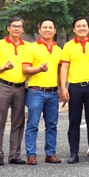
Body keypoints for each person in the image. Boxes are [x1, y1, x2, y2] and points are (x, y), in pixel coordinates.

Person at [60, 17, 89, 164]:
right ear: (74, 29)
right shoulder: (68, 46)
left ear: (88, 28)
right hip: (75, 87)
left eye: (84, 26)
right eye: (78, 26)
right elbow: (64, 67)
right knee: (74, 121)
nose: (82, 28)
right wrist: (63, 87)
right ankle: (74, 153)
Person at [22, 18, 63, 165]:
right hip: (35, 92)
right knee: (33, 124)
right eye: (44, 27)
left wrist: (63, 89)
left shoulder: (59, 50)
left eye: (50, 27)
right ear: (39, 30)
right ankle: (31, 155)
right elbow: (25, 69)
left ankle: (50, 153)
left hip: (53, 92)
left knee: (52, 124)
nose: (47, 30)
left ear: (54, 30)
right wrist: (38, 69)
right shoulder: (32, 48)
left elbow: (61, 71)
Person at [0, 17, 29, 166]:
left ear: (23, 30)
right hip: (3, 85)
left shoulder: (27, 46)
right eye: (13, 26)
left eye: (19, 27)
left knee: (18, 122)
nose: (16, 29)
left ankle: (14, 154)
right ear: (8, 28)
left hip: (20, 87)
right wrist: (4, 68)